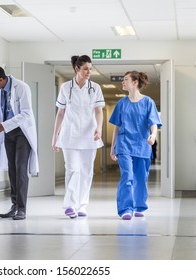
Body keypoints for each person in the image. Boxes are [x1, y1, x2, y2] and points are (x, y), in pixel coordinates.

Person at [0, 66, 39, 220]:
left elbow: (26, 113)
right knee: (12, 170)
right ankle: (14, 206)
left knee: (20, 169)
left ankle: (22, 208)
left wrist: (3, 125)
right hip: (8, 132)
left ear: (1, 79)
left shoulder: (22, 88)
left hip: (22, 132)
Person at [52, 55, 105, 219]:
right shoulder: (66, 87)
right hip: (69, 135)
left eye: (90, 68)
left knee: (87, 172)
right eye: (85, 69)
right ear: (77, 69)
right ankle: (70, 205)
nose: (89, 71)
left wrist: (99, 129)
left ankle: (82, 205)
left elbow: (98, 110)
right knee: (73, 169)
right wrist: (55, 136)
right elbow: (60, 113)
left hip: (90, 135)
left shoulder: (94, 87)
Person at [109, 71, 162, 220]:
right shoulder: (121, 103)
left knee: (140, 178)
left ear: (135, 82)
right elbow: (116, 127)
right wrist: (113, 146)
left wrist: (153, 136)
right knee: (127, 175)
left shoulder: (148, 102)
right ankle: (125, 209)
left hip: (142, 145)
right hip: (124, 145)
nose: (123, 82)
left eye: (125, 79)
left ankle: (139, 206)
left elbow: (153, 124)